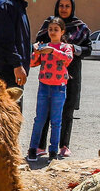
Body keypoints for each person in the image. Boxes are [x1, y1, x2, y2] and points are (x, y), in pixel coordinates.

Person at [34, 0, 90, 158]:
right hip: (50, 73)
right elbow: (38, 42)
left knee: (67, 110)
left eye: (67, 6)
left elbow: (88, 49)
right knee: (46, 109)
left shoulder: (80, 27)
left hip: (71, 73)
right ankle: (40, 146)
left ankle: (64, 145)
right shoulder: (49, 24)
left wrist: (74, 49)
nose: (64, 9)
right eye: (61, 6)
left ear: (72, 8)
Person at [27, 18, 73, 163]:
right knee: (39, 119)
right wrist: (36, 52)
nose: (53, 32)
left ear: (62, 32)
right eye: (50, 29)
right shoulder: (44, 46)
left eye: (56, 29)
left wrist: (53, 51)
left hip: (59, 88)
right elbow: (32, 63)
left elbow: (68, 59)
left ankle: (53, 151)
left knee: (56, 121)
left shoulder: (66, 47)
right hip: (44, 87)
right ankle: (32, 149)